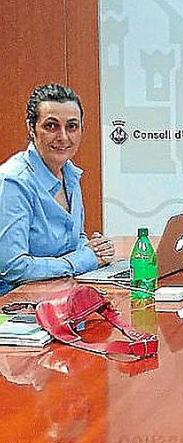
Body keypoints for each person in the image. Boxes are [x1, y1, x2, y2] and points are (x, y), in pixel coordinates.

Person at [0, 83, 114, 294]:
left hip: (60, 292)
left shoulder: (70, 173)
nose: (63, 137)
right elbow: (13, 267)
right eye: (51, 126)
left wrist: (95, 249)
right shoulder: (13, 182)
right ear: (31, 128)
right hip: (17, 302)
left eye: (72, 126)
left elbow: (73, 239)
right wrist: (83, 260)